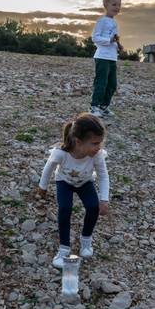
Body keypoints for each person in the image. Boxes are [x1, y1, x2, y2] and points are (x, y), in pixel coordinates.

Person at [38, 113, 109, 268]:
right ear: (78, 141)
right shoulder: (61, 153)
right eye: (95, 143)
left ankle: (86, 240)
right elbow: (48, 168)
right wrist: (42, 187)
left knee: (93, 206)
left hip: (85, 182)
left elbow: (103, 175)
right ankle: (64, 248)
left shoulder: (96, 155)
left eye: (100, 143)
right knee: (65, 208)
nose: (99, 147)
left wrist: (104, 199)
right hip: (64, 181)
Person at [90, 0, 122, 118]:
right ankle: (94, 107)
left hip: (112, 57)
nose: (117, 7)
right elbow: (95, 38)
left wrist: (118, 45)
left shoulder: (114, 22)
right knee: (101, 82)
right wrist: (109, 40)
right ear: (105, 5)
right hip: (102, 56)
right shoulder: (101, 21)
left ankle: (104, 107)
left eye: (119, 5)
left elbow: (113, 38)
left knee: (112, 84)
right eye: (114, 4)